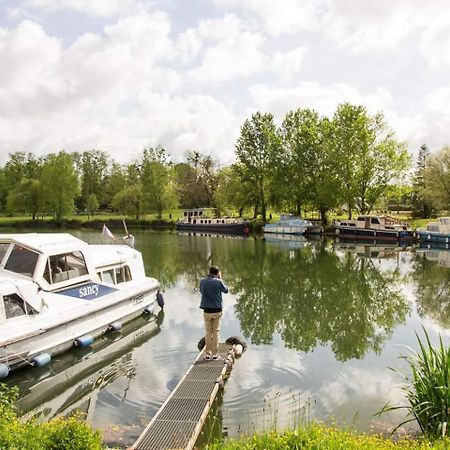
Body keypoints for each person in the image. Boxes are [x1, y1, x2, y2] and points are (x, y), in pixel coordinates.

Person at [199, 265, 228, 360]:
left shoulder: (202, 281)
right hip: (217, 310)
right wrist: (221, 278)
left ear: (209, 272)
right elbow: (226, 290)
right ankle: (215, 354)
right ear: (217, 273)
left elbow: (201, 292)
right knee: (216, 332)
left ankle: (207, 354)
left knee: (208, 332)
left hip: (206, 310)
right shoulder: (219, 282)